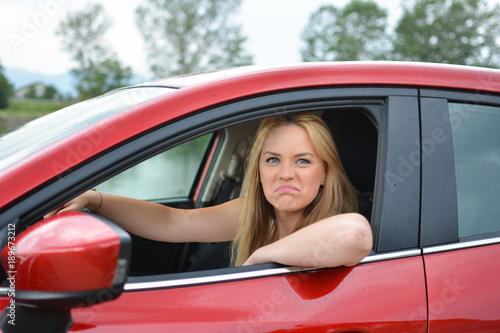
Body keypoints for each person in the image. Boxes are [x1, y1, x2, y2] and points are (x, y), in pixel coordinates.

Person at [45, 113, 372, 268]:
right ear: (258, 170)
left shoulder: (334, 223)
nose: (285, 174)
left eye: (303, 161)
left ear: (325, 173)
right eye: (272, 160)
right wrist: (93, 199)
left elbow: (354, 237)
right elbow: (173, 223)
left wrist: (258, 259)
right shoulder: (252, 214)